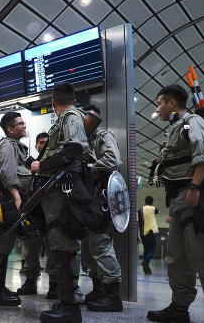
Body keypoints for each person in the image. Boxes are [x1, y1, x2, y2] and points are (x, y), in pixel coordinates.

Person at [147, 84, 204, 323]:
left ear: (171, 103)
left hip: (194, 197)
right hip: (180, 201)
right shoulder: (176, 128)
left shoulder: (192, 122)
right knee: (176, 258)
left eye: (160, 103)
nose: (158, 109)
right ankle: (179, 308)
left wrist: (194, 187)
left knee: (202, 255)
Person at [31, 82, 90, 322]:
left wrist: (41, 165)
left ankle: (70, 306)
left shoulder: (70, 116)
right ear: (73, 99)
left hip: (63, 189)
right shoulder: (67, 117)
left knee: (64, 246)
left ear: (53, 102)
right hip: (56, 191)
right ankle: (66, 300)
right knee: (60, 246)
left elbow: (75, 147)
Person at [0, 111, 32, 306]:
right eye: (20, 123)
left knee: (5, 244)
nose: (24, 125)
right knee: (1, 244)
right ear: (10, 129)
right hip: (7, 200)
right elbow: (7, 172)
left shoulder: (18, 146)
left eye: (24, 122)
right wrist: (17, 197)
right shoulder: (8, 145)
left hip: (10, 199)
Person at [79, 103, 123, 312]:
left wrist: (87, 168)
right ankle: (99, 290)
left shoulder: (104, 136)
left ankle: (113, 296)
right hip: (86, 202)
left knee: (101, 245)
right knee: (88, 249)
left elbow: (112, 160)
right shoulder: (81, 142)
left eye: (93, 118)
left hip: (101, 200)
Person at [17, 132, 60, 299]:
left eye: (46, 143)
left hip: (51, 210)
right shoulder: (29, 166)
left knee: (53, 246)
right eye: (40, 142)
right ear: (36, 146)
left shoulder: (54, 164)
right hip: (34, 211)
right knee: (31, 247)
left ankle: (55, 284)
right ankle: (30, 280)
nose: (43, 145)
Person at [138, 195, 159, 275]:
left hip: (142, 233)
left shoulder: (139, 210)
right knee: (152, 250)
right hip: (151, 232)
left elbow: (137, 223)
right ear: (151, 202)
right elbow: (158, 212)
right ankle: (145, 262)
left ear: (145, 201)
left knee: (146, 250)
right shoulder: (153, 208)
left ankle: (146, 268)